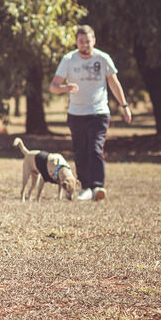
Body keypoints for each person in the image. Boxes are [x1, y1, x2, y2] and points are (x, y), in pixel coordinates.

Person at [49, 25, 132, 202]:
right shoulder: (68, 59)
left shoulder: (103, 59)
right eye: (81, 42)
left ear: (94, 40)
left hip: (98, 111)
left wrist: (124, 105)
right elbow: (53, 87)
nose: (85, 45)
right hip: (76, 113)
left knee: (95, 148)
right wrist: (65, 88)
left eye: (88, 41)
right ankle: (85, 187)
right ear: (77, 42)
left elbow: (114, 83)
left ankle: (97, 186)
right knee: (80, 151)